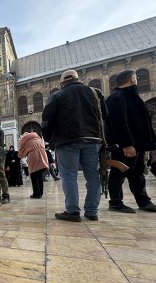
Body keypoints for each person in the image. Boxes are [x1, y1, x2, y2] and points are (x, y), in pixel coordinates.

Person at [42, 69, 106, 222]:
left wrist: (50, 139)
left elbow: (46, 121)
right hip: (92, 138)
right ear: (78, 79)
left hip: (66, 141)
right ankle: (92, 211)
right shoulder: (95, 93)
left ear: (62, 83)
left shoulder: (57, 95)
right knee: (93, 175)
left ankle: (72, 211)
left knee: (69, 175)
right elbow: (105, 115)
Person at [105, 69, 156, 213]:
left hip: (137, 144)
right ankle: (116, 202)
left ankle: (143, 201)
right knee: (119, 172)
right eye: (136, 78)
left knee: (137, 173)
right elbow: (119, 122)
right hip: (125, 145)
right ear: (132, 79)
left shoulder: (131, 96)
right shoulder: (117, 97)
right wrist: (127, 144)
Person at [18, 131, 49, 199]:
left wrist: (21, 155)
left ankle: (36, 194)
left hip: (33, 156)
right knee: (39, 176)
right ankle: (40, 192)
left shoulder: (25, 140)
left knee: (34, 175)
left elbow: (21, 153)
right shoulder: (37, 137)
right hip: (42, 155)